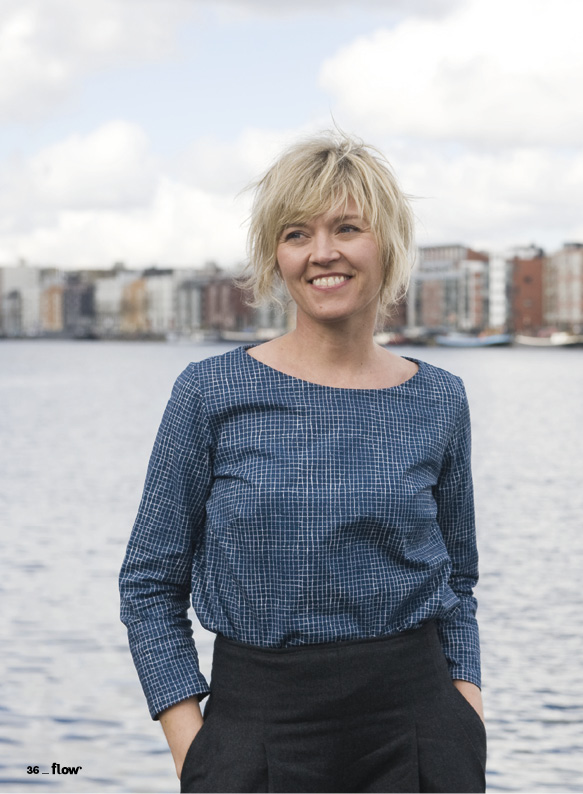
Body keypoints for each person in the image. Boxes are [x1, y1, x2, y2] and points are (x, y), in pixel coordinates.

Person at [119, 132, 486, 793]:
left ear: (387, 244)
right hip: (255, 737)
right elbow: (148, 586)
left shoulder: (439, 398)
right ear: (275, 255)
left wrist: (466, 714)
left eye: (347, 227)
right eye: (296, 234)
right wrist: (195, 754)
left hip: (421, 739)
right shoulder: (210, 393)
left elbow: (457, 582)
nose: (322, 253)